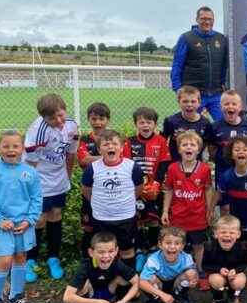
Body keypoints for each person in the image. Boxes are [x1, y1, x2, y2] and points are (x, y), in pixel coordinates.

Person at [0, 130, 42, 303]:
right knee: (4, 261)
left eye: (15, 146)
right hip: (0, 225)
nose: (11, 150)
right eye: (6, 146)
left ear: (22, 148)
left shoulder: (30, 172)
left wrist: (29, 220)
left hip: (23, 224)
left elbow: (36, 198)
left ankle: (15, 297)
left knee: (20, 258)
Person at [23, 93, 78, 282]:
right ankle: (30, 260)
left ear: (65, 110)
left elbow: (71, 154)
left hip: (59, 179)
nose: (58, 120)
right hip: (39, 180)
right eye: (52, 118)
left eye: (60, 115)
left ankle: (53, 258)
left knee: (56, 215)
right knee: (39, 219)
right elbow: (30, 165)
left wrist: (67, 178)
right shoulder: (38, 130)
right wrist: (30, 189)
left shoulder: (72, 126)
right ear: (43, 118)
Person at [81, 130, 144, 269]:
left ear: (121, 148)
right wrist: (99, 202)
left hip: (125, 218)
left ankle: (126, 281)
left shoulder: (132, 167)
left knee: (127, 251)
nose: (110, 147)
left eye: (115, 143)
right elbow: (86, 189)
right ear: (99, 149)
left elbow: (139, 187)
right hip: (101, 218)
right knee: (102, 251)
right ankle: (102, 279)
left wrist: (126, 201)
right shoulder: (92, 168)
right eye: (105, 144)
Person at [161, 130, 214, 282]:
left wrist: (209, 210)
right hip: (178, 217)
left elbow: (208, 189)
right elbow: (169, 189)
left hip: (197, 216)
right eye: (185, 145)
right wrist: (165, 211)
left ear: (198, 149)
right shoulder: (172, 168)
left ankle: (199, 268)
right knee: (177, 245)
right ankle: (178, 268)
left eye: (192, 144)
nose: (188, 147)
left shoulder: (204, 169)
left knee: (198, 245)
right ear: (179, 149)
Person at [124, 107, 171, 269]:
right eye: (141, 122)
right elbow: (127, 165)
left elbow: (164, 164)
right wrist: (137, 185)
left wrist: (157, 183)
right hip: (135, 188)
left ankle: (152, 250)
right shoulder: (129, 141)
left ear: (155, 124)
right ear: (136, 124)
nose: (145, 125)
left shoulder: (161, 141)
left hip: (154, 188)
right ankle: (139, 251)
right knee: (136, 220)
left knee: (152, 219)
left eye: (149, 122)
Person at [63, 232, 140, 303]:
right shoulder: (85, 267)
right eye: (101, 252)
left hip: (109, 292)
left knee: (126, 279)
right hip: (91, 296)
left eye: (111, 251)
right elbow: (67, 297)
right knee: (82, 284)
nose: (106, 256)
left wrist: (123, 301)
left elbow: (136, 281)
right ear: (91, 252)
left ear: (116, 251)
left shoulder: (117, 263)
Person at [170, 6, 229, 121]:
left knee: (223, 124)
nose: (206, 22)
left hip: (216, 94)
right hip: (193, 95)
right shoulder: (186, 38)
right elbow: (177, 65)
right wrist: (177, 88)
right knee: (191, 127)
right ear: (197, 19)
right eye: (203, 18)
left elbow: (224, 65)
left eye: (210, 19)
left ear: (213, 20)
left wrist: (222, 82)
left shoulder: (221, 39)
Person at [216, 136, 247, 250]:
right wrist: (210, 209)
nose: (241, 152)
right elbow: (219, 193)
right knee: (236, 243)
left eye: (245, 149)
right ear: (231, 154)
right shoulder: (227, 176)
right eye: (237, 149)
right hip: (234, 215)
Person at [77, 103, 111, 256]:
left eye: (101, 119)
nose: (98, 122)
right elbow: (83, 160)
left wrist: (94, 158)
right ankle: (87, 257)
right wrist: (107, 157)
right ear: (89, 120)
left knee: (106, 225)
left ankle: (107, 255)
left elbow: (120, 158)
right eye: (94, 119)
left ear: (108, 120)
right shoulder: (84, 139)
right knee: (89, 226)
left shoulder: (112, 137)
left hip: (109, 190)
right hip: (89, 189)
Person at [140, 227, 199, 303]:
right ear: (160, 244)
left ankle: (179, 295)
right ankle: (153, 299)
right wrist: (162, 294)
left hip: (176, 282)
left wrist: (193, 282)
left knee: (191, 273)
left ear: (182, 246)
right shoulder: (154, 259)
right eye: (168, 243)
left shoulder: (186, 257)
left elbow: (194, 275)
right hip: (159, 283)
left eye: (177, 243)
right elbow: (141, 282)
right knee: (150, 278)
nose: (172, 247)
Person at [208, 89, 247, 183]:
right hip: (222, 170)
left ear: (240, 107)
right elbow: (212, 147)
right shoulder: (214, 127)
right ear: (220, 107)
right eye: (226, 104)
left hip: (244, 170)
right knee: (222, 195)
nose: (230, 106)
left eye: (234, 104)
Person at [203, 215, 247, 303]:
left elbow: (245, 264)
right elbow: (205, 265)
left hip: (234, 275)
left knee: (239, 282)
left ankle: (233, 295)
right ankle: (217, 298)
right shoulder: (209, 247)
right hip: (218, 275)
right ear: (215, 234)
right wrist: (218, 269)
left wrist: (236, 271)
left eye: (232, 232)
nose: (227, 235)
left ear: (238, 234)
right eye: (223, 232)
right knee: (216, 281)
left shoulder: (241, 247)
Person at [162, 85, 212, 162]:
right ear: (179, 102)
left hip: (196, 165)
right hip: (176, 164)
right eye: (185, 101)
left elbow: (209, 145)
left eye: (193, 101)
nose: (189, 104)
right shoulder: (170, 121)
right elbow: (162, 142)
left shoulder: (205, 123)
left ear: (199, 103)